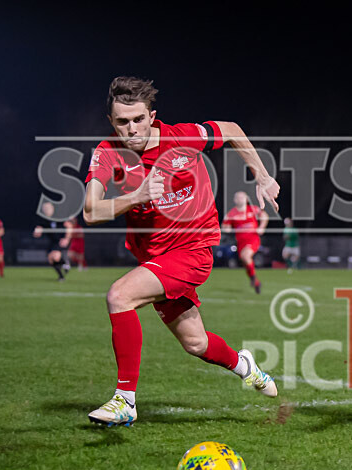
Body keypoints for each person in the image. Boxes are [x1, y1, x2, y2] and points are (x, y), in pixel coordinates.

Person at [82, 76, 280, 426]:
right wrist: (136, 197)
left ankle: (125, 400)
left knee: (119, 296)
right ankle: (245, 365)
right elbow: (90, 210)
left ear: (152, 115)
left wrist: (262, 176)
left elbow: (231, 129)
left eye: (138, 119)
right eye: (122, 122)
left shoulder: (181, 137)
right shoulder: (107, 152)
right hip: (155, 259)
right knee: (196, 343)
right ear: (112, 122)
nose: (131, 128)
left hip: (194, 250)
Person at [222, 191, 268, 293]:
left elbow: (264, 215)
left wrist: (262, 227)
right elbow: (225, 226)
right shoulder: (232, 213)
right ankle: (255, 281)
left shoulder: (253, 209)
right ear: (234, 200)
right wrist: (227, 228)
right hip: (240, 242)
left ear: (246, 199)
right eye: (238, 197)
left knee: (246, 257)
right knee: (245, 261)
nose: (240, 199)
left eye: (242, 197)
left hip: (253, 239)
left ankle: (254, 280)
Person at [33, 202, 69, 281]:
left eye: (48, 208)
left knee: (55, 257)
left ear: (52, 208)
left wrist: (66, 238)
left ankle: (65, 263)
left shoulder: (59, 217)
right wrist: (37, 231)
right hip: (52, 241)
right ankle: (61, 276)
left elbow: (69, 226)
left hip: (60, 240)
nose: (46, 210)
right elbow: (39, 228)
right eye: (45, 209)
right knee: (51, 259)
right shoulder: (44, 219)